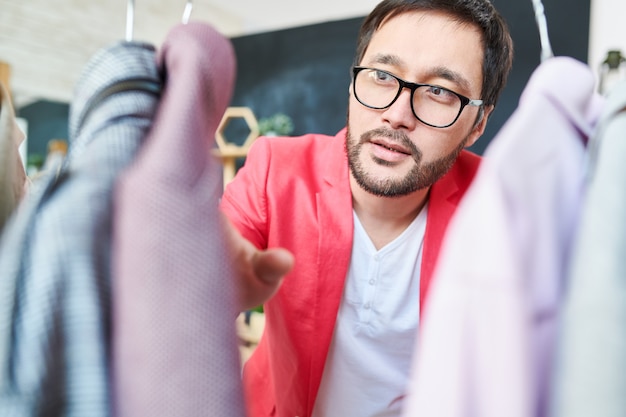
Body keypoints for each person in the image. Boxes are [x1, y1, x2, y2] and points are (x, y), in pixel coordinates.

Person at [220, 0, 514, 415]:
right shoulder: (276, 170)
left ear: (477, 124)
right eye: (381, 75)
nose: (395, 115)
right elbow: (190, 288)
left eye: (439, 92)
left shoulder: (499, 206)